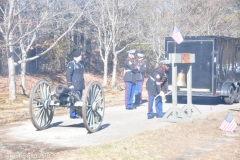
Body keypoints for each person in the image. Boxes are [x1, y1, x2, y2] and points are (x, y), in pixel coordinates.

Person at [66, 49, 85, 118]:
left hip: (80, 85)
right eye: (80, 55)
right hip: (74, 85)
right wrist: (70, 84)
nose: (81, 56)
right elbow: (68, 74)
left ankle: (77, 113)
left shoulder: (80, 64)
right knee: (73, 100)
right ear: (77, 56)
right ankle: (73, 114)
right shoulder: (72, 64)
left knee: (78, 100)